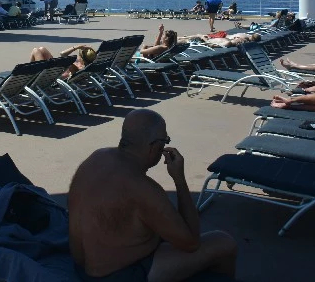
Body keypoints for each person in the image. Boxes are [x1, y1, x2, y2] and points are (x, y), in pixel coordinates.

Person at [69, 109, 237, 282]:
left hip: (80, 268)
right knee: (223, 242)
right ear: (154, 147)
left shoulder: (96, 157)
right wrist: (179, 180)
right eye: (165, 142)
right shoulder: (143, 188)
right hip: (118, 275)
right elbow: (191, 243)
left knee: (158, 231)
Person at [29, 43, 97, 79]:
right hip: (54, 69)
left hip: (50, 75)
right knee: (42, 49)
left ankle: (30, 75)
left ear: (81, 57)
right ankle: (31, 73)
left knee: (36, 50)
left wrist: (77, 47)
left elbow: (63, 54)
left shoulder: (78, 67)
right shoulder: (82, 64)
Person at [179, 31, 261, 48]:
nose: (240, 40)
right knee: (190, 37)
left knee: (182, 41)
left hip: (200, 42)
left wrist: (202, 38)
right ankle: (182, 38)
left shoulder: (227, 43)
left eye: (240, 41)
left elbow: (210, 45)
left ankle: (180, 39)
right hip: (207, 39)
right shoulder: (228, 41)